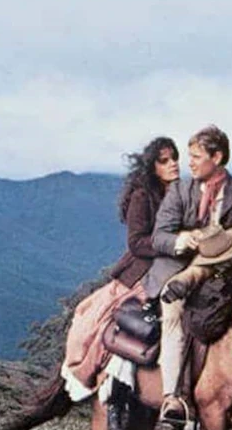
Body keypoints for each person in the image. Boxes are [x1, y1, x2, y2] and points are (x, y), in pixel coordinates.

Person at [141, 125, 232, 427]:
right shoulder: (180, 191)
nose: (190, 163)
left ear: (216, 157)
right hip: (178, 267)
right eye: (190, 156)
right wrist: (183, 240)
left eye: (196, 156)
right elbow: (159, 236)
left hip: (227, 271)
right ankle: (172, 396)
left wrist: (228, 243)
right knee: (173, 309)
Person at [60, 136, 180, 402]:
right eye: (164, 161)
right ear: (152, 167)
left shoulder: (180, 193)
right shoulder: (142, 197)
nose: (173, 164)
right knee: (134, 323)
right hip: (143, 271)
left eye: (174, 158)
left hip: (176, 266)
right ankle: (115, 387)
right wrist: (174, 244)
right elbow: (136, 242)